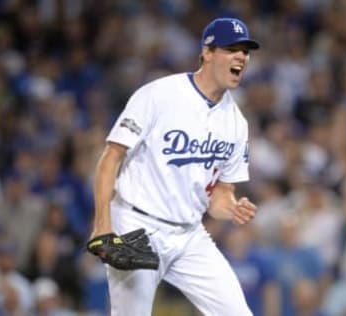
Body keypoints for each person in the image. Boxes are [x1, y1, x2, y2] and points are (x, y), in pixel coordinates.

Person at [87, 17, 259, 316]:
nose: (241, 57)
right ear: (207, 52)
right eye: (232, 49)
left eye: (245, 51)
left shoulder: (236, 123)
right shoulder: (159, 95)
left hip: (190, 234)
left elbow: (220, 195)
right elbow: (111, 157)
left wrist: (230, 207)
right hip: (136, 225)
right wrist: (103, 223)